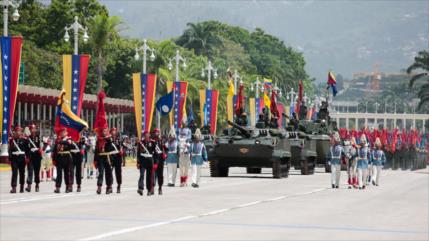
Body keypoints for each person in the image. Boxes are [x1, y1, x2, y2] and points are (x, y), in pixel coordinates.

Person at [52, 128, 73, 193]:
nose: (63, 133)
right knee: (59, 174)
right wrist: (54, 159)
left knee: (67, 173)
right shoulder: (57, 140)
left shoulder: (69, 139)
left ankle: (67, 187)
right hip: (59, 158)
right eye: (62, 132)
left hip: (67, 158)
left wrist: (60, 141)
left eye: (64, 132)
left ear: (66, 133)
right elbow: (55, 150)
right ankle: (57, 187)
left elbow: (69, 144)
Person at [9, 126, 29, 193]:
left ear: (21, 132)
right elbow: (10, 150)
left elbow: (27, 150)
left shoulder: (24, 140)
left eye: (19, 131)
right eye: (17, 131)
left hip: (22, 158)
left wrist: (28, 158)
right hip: (14, 158)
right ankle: (14, 187)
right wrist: (10, 158)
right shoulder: (12, 140)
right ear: (15, 132)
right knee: (14, 173)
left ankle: (22, 187)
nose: (18, 132)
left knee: (22, 173)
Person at [95, 128, 115, 195]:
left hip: (108, 157)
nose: (104, 132)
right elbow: (96, 150)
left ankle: (109, 187)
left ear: (107, 132)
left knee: (108, 173)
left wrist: (107, 138)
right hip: (101, 157)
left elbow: (111, 146)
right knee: (101, 172)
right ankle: (99, 187)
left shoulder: (109, 139)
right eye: (103, 131)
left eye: (106, 131)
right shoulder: (99, 140)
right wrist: (95, 160)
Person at [137, 130, 155, 196]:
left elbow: (155, 152)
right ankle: (140, 188)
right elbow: (138, 153)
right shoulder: (141, 143)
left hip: (150, 160)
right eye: (145, 134)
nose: (146, 135)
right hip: (143, 160)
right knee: (142, 174)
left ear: (149, 135)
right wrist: (138, 162)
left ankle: (149, 190)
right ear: (144, 136)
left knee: (149, 176)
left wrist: (155, 162)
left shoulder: (152, 142)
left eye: (148, 134)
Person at [26, 124, 42, 192]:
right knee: (30, 171)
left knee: (37, 171)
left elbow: (42, 145)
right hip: (30, 156)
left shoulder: (38, 137)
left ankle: (37, 185)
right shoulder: (27, 138)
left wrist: (41, 149)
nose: (33, 130)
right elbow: (26, 148)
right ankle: (29, 185)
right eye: (32, 129)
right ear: (30, 130)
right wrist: (27, 156)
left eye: (34, 128)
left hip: (37, 156)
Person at [152, 128, 167, 195]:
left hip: (160, 160)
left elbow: (166, 148)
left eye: (157, 132)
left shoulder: (161, 141)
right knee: (153, 174)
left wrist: (165, 154)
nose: (156, 133)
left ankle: (160, 188)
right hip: (154, 159)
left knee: (160, 174)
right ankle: (152, 187)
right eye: (155, 132)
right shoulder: (151, 141)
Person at [110, 128, 124, 193]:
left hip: (118, 157)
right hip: (111, 157)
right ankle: (110, 185)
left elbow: (122, 147)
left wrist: (121, 151)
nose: (113, 132)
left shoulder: (119, 139)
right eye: (112, 131)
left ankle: (119, 186)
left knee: (118, 173)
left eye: (114, 131)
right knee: (109, 172)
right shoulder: (109, 139)